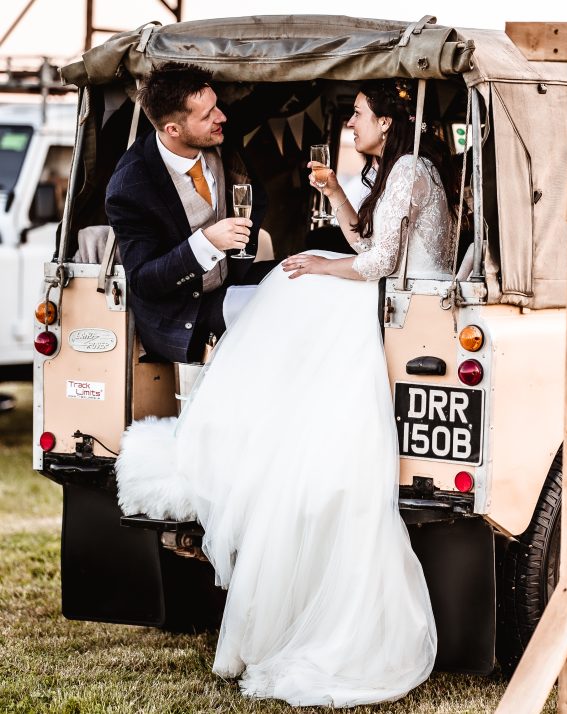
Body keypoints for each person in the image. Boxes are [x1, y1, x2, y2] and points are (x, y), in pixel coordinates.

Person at [115, 78, 458, 707]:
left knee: (294, 286)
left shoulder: (408, 168)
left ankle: (253, 433)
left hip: (409, 302)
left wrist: (319, 263)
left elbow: (378, 262)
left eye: (357, 114)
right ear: (171, 127)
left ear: (388, 120)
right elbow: (371, 242)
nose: (351, 124)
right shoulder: (393, 167)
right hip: (382, 293)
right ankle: (263, 431)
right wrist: (334, 198)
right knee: (288, 288)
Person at [105, 62, 269, 364]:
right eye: (208, 115)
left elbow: (255, 196)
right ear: (173, 129)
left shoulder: (216, 135)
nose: (222, 117)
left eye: (216, 106)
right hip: (185, 313)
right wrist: (207, 243)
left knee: (305, 277)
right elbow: (142, 280)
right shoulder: (130, 187)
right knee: (278, 313)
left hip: (230, 282)